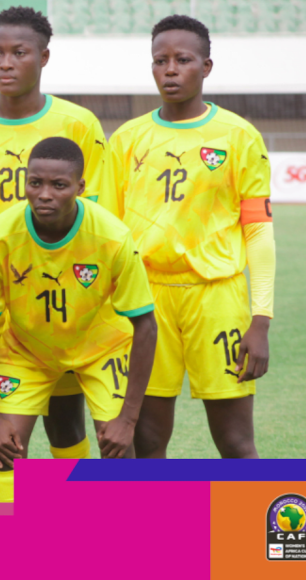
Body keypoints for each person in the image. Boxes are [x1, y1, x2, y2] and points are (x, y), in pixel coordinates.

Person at [0, 6, 111, 468]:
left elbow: (97, 216)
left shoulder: (78, 124)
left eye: (20, 52)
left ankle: (61, 508)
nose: (6, 63)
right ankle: (2, 509)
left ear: (44, 57)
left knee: (64, 420)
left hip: (55, 295)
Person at [107, 15, 274, 459]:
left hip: (216, 299)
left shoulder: (238, 136)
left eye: (183, 60)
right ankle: (157, 511)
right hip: (145, 300)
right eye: (159, 60)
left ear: (206, 66)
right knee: (146, 442)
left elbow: (258, 231)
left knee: (236, 442)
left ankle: (250, 511)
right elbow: (108, 233)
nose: (170, 70)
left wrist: (261, 320)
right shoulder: (126, 139)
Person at [0, 137, 158, 503]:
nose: (44, 195)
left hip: (101, 349)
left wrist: (128, 420)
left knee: (117, 449)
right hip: (26, 352)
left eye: (59, 185)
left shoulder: (112, 237)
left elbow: (145, 326)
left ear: (80, 187)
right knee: (6, 454)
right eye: (35, 183)